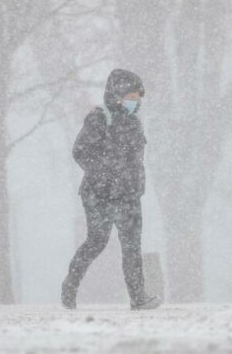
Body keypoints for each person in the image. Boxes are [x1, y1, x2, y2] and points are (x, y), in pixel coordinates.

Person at [61, 69, 161, 311]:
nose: (135, 102)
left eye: (138, 98)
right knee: (97, 241)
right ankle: (70, 286)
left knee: (132, 245)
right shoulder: (99, 118)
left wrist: (135, 183)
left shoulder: (135, 123)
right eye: (131, 97)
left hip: (129, 194)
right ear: (117, 94)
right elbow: (80, 151)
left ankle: (138, 298)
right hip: (99, 195)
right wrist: (106, 174)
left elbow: (135, 159)